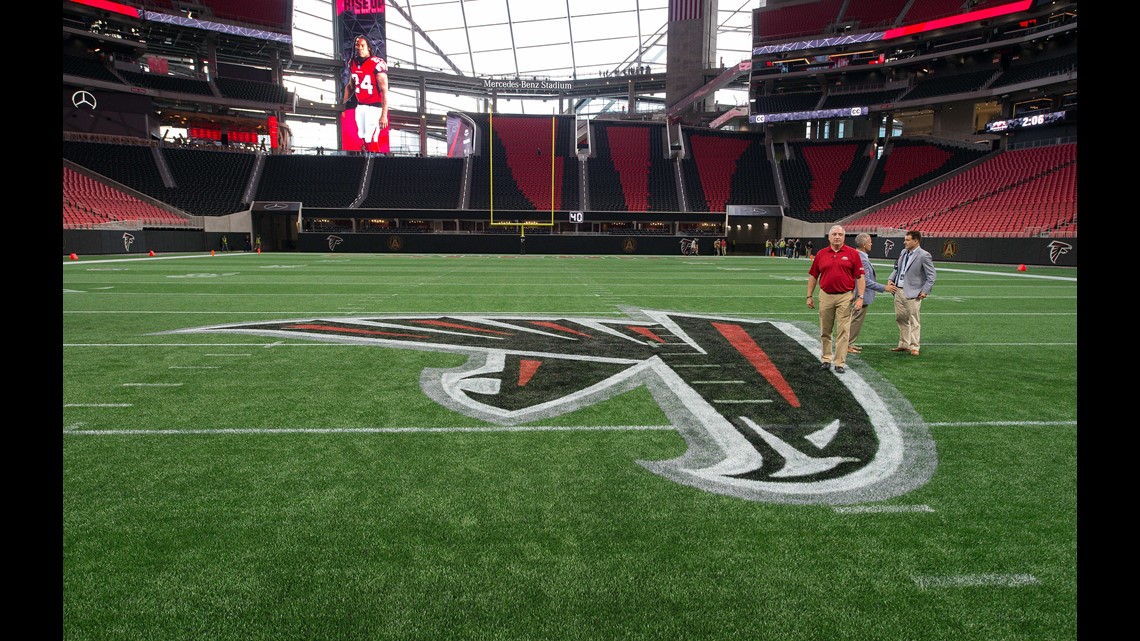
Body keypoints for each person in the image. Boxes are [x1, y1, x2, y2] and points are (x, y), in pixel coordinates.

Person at [806, 225, 865, 374]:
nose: (837, 237)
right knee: (825, 330)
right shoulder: (821, 254)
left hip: (845, 296)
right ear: (829, 237)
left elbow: (860, 276)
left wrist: (860, 297)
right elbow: (813, 276)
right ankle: (826, 359)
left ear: (844, 237)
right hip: (825, 295)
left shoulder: (853, 254)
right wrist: (809, 295)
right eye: (834, 234)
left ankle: (839, 362)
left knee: (843, 331)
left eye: (840, 234)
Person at [886, 230, 937, 356]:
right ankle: (904, 344)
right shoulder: (903, 252)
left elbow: (932, 275)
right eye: (905, 239)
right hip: (898, 289)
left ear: (916, 241)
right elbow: (897, 268)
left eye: (908, 240)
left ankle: (915, 346)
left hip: (913, 292)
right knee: (900, 317)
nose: (905, 242)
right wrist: (890, 279)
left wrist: (925, 291)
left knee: (914, 320)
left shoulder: (924, 255)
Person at [343, 35, 390, 154]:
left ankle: (377, 165)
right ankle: (366, 162)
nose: (359, 48)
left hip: (374, 107)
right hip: (360, 105)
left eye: (362, 45)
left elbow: (384, 91)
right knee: (363, 138)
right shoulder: (352, 62)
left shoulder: (377, 63)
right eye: (357, 45)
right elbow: (350, 85)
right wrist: (343, 104)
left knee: (371, 138)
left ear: (368, 47)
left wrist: (384, 115)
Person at [847, 233, 888, 354]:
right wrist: (884, 287)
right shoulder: (861, 258)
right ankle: (848, 343)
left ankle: (850, 342)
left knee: (854, 320)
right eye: (870, 241)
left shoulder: (859, 255)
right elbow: (865, 281)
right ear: (864, 245)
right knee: (855, 320)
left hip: (859, 294)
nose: (872, 243)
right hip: (861, 295)